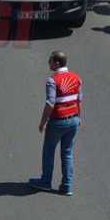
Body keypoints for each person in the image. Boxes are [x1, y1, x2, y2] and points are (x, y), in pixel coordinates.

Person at [29, 50, 82, 196]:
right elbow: (78, 99)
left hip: (58, 121)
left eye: (50, 61)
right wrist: (79, 118)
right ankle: (67, 186)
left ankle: (46, 181)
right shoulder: (76, 78)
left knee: (49, 150)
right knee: (67, 152)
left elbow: (50, 103)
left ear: (57, 63)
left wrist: (42, 122)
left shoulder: (52, 80)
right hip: (73, 119)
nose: (48, 63)